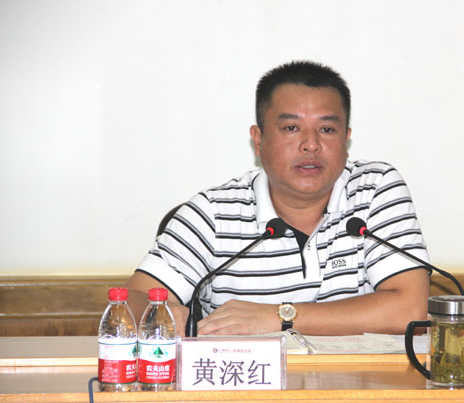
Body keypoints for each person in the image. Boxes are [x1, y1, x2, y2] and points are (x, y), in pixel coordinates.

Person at [125, 61, 430, 337]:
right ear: (258, 140)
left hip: (360, 381)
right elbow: (133, 302)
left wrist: (279, 316)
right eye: (291, 128)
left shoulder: (374, 188)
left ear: (346, 139)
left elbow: (409, 311)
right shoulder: (213, 214)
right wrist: (162, 313)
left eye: (326, 129)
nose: (311, 144)